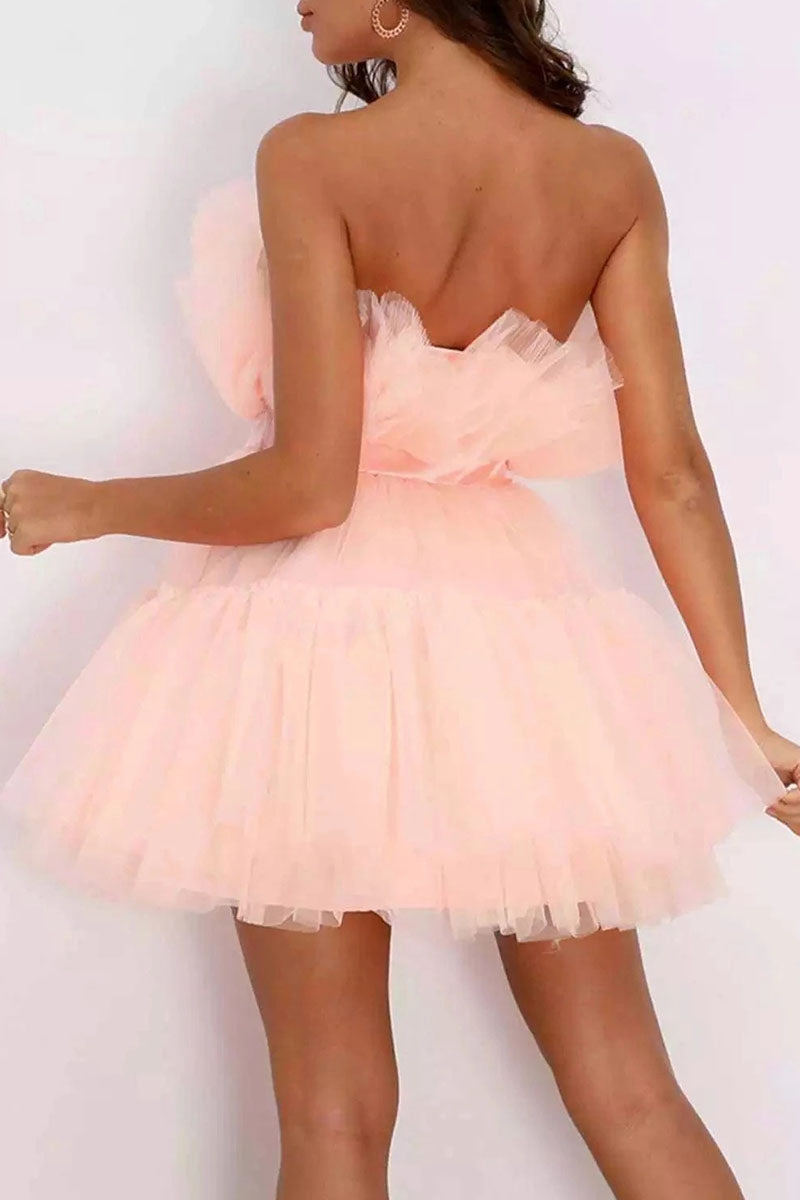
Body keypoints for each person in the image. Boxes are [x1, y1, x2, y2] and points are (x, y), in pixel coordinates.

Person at [1, 1, 798, 1196]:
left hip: (312, 637)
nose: (299, 0)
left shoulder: (311, 156)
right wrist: (743, 712)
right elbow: (672, 473)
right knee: (630, 1089)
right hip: (522, 640)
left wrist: (86, 503)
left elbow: (308, 486)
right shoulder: (608, 174)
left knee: (331, 1115)